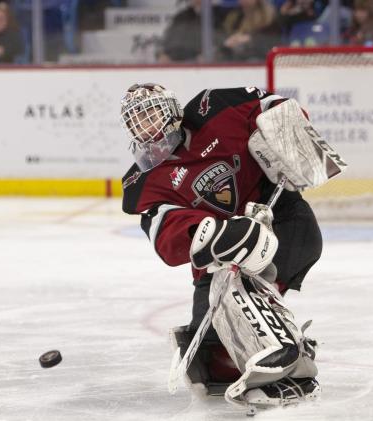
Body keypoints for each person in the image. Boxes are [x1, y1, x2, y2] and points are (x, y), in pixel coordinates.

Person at [120, 83, 324, 408]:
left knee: (270, 265)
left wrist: (287, 128)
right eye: (137, 120)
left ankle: (278, 345)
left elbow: (272, 105)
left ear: (172, 109)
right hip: (217, 256)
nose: (147, 125)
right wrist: (213, 233)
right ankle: (264, 351)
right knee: (214, 353)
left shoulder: (213, 106)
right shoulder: (141, 180)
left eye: (152, 113)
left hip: (277, 213)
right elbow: (165, 234)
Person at [217, 0, 281, 61]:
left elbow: (273, 42)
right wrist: (229, 41)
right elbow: (224, 35)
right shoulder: (234, 16)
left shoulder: (269, 18)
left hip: (260, 60)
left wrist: (251, 39)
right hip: (236, 58)